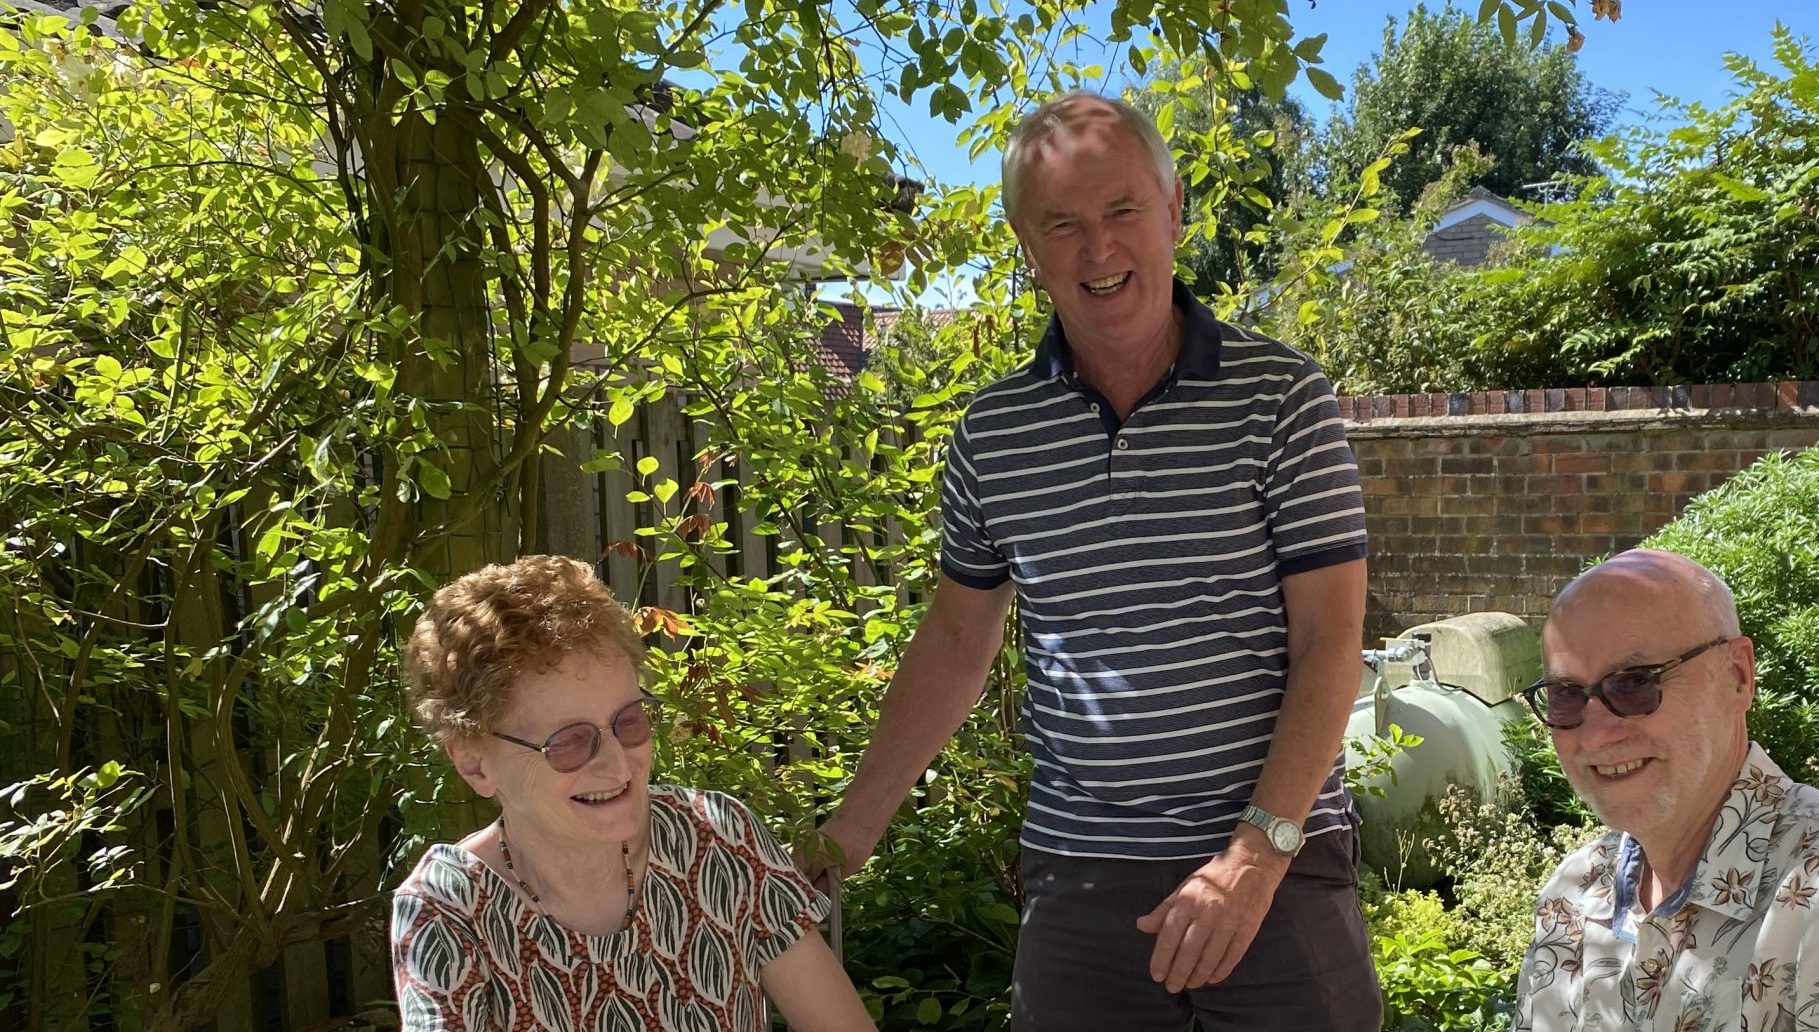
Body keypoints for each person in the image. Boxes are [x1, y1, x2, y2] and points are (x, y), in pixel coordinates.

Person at [806, 90, 1379, 1032]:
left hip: (1275, 856)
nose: (1098, 248)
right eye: (1061, 225)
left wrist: (1254, 856)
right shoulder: (993, 436)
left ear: (1173, 210)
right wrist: (848, 832)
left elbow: (1332, 639)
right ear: (1027, 246)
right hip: (1082, 874)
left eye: (1121, 211)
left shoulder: (1282, 399)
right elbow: (955, 642)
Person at [388, 555, 874, 1031]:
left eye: (630, 720)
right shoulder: (447, 912)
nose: (618, 764)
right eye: (570, 742)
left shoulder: (716, 839)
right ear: (474, 763)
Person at [1512, 550, 1819, 1032]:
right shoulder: (1577, 889)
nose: (1594, 734)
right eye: (1566, 694)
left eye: (1635, 684)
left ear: (1738, 676)